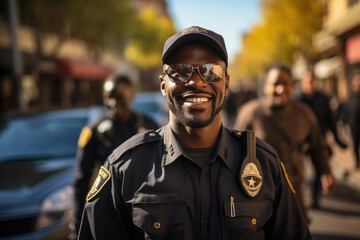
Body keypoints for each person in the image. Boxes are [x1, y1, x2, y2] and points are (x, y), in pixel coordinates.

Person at [78, 26, 311, 239]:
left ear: (226, 83)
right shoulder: (124, 168)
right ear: (162, 84)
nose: (196, 81)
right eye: (180, 71)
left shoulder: (265, 163)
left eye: (210, 70)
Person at [234, 64, 334, 223]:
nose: (281, 89)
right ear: (266, 87)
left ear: (292, 86)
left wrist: (325, 171)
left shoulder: (304, 114)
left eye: (285, 84)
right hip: (258, 192)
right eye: (275, 84)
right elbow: (233, 151)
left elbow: (318, 147)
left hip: (295, 190)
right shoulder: (251, 113)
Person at [70, 75, 159, 237]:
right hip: (109, 208)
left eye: (119, 97)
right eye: (108, 98)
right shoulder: (94, 130)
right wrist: (76, 218)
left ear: (131, 96)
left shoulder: (149, 127)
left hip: (145, 209)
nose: (113, 103)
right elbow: (81, 177)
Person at [295, 69, 347, 209]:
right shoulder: (296, 100)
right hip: (300, 141)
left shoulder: (324, 99)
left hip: (318, 141)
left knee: (320, 170)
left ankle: (315, 197)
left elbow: (331, 122)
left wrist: (338, 140)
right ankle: (298, 195)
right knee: (298, 170)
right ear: (302, 83)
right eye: (307, 81)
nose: (310, 84)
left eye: (313, 81)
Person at [343, 70, 360, 169]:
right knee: (355, 146)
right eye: (357, 81)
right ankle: (357, 161)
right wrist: (345, 123)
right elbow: (346, 111)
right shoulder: (350, 97)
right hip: (353, 126)